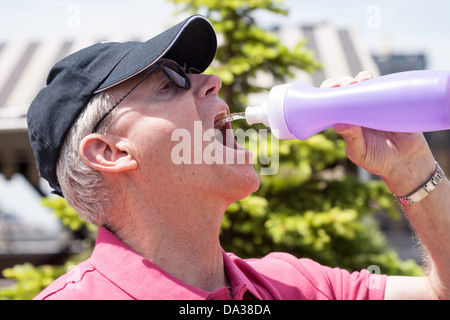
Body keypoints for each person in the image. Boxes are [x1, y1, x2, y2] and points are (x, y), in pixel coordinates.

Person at [28, 15, 449, 300]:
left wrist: (410, 168)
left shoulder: (297, 284)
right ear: (110, 151)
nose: (213, 81)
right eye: (171, 81)